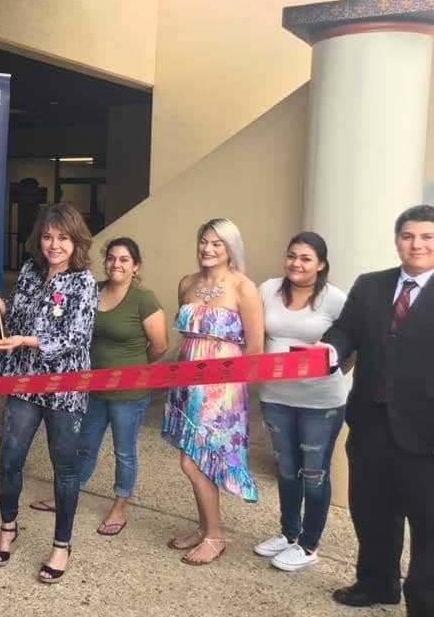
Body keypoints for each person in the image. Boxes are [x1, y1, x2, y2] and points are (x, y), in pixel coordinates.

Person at [323, 205, 434, 614]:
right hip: (371, 424)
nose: (417, 244)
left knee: (429, 527)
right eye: (408, 235)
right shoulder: (371, 285)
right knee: (372, 512)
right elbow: (344, 331)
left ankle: (423, 603)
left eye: (427, 236)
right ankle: (376, 582)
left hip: (426, 434)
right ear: (397, 240)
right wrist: (329, 350)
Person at [0, 203, 98, 584]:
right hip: (22, 380)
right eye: (48, 236)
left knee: (64, 468)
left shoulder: (83, 281)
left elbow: (75, 336)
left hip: (63, 387)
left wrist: (26, 340)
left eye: (63, 238)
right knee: (9, 458)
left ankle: (61, 545)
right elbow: (16, 319)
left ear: (75, 240)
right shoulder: (31, 272)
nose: (54, 244)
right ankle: (9, 527)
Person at [28, 237, 168, 536]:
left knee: (124, 452)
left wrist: (134, 370)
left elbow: (159, 346)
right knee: (83, 448)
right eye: (111, 258)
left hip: (128, 393)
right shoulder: (94, 289)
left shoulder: (144, 298)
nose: (116, 264)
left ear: (136, 266)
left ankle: (119, 507)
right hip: (92, 387)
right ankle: (67, 496)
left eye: (124, 260)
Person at [162, 218, 263, 565]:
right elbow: (185, 336)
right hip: (186, 384)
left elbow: (255, 348)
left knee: (194, 462)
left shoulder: (244, 287)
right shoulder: (187, 283)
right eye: (204, 241)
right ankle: (206, 527)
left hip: (222, 389)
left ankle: (215, 536)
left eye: (217, 243)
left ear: (230, 247)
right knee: (195, 458)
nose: (208, 248)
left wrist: (227, 389)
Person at [252, 233, 347, 573]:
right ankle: (289, 534)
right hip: (276, 398)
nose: (296, 263)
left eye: (306, 258)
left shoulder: (334, 299)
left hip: (320, 403)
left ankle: (309, 545)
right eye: (292, 255)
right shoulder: (268, 290)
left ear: (320, 264)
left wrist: (327, 372)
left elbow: (350, 348)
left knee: (314, 473)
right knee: (287, 471)